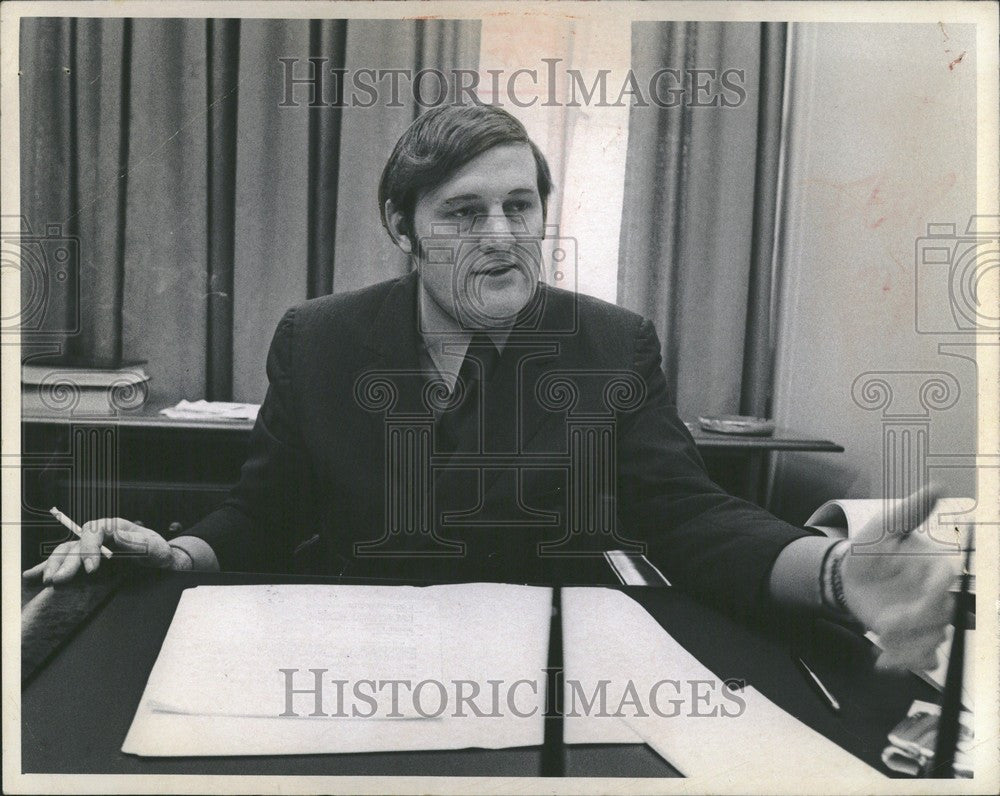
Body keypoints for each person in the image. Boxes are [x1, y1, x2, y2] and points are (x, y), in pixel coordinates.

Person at [24, 104, 955, 672]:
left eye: (520, 206)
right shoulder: (321, 337)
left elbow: (689, 517)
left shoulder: (612, 343)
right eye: (464, 213)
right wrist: (175, 554)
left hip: (557, 663)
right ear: (403, 225)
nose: (501, 236)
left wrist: (835, 574)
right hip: (354, 655)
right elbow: (264, 512)